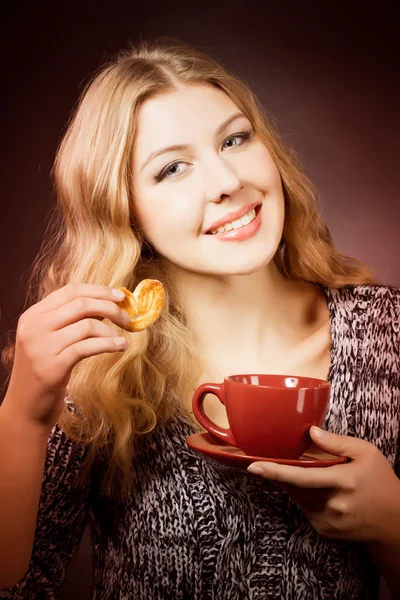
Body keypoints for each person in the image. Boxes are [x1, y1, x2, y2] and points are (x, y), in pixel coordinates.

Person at [0, 38, 399, 600]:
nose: (227, 181)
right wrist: (24, 415)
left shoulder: (389, 333)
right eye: (172, 169)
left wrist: (393, 525)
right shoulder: (94, 367)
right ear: (124, 210)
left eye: (235, 139)